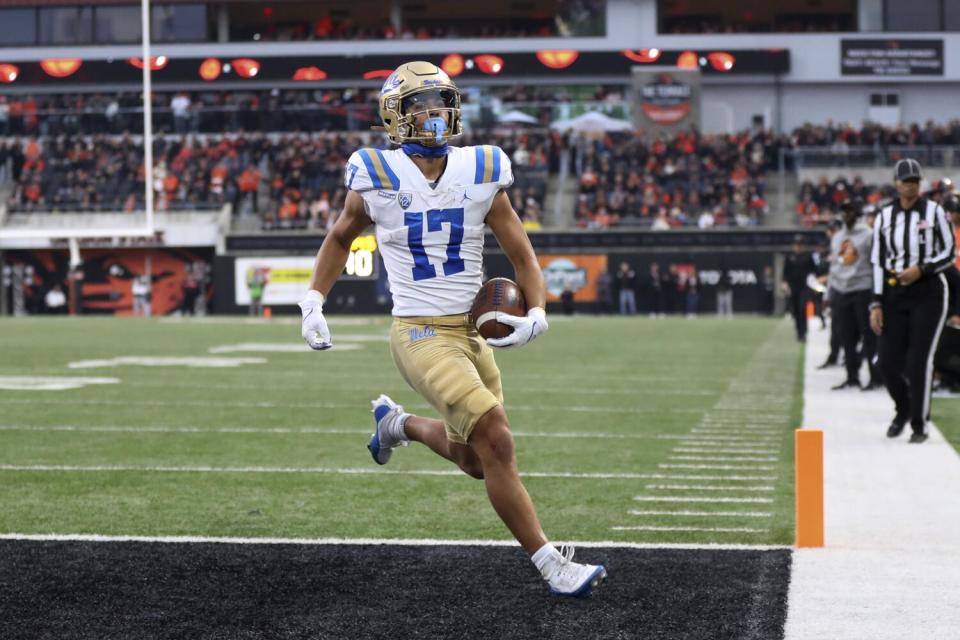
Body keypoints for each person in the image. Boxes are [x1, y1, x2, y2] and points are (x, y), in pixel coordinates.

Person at [297, 61, 606, 597]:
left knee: (475, 461)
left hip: (473, 331)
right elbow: (340, 238)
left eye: (440, 102)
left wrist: (537, 312)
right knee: (498, 439)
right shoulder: (374, 171)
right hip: (418, 331)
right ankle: (552, 563)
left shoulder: (481, 167)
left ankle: (398, 425)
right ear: (395, 116)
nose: (434, 114)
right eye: (420, 104)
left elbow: (521, 252)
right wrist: (312, 301)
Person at [870, 158, 955, 443]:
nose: (911, 186)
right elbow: (878, 263)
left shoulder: (935, 212)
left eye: (915, 181)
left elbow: (949, 253)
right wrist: (876, 302)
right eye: (906, 181)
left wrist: (923, 269)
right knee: (885, 362)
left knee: (919, 360)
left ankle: (919, 424)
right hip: (895, 293)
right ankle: (903, 408)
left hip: (928, 292)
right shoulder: (884, 216)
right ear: (896, 184)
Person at [828, 199, 879, 390]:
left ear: (857, 213)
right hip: (842, 290)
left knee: (869, 336)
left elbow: (876, 264)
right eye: (844, 211)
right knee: (846, 336)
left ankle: (876, 377)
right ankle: (852, 376)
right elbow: (835, 265)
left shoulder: (868, 234)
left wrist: (876, 294)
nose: (846, 214)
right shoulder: (837, 237)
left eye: (850, 211)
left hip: (863, 289)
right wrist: (830, 293)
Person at [783, 235, 816, 342]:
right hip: (793, 287)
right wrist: (784, 283)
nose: (798, 247)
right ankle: (799, 332)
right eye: (796, 244)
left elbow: (814, 271)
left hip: (804, 287)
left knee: (803, 309)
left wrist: (814, 282)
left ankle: (804, 332)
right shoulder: (789, 257)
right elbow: (785, 272)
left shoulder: (807, 257)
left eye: (800, 244)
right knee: (796, 311)